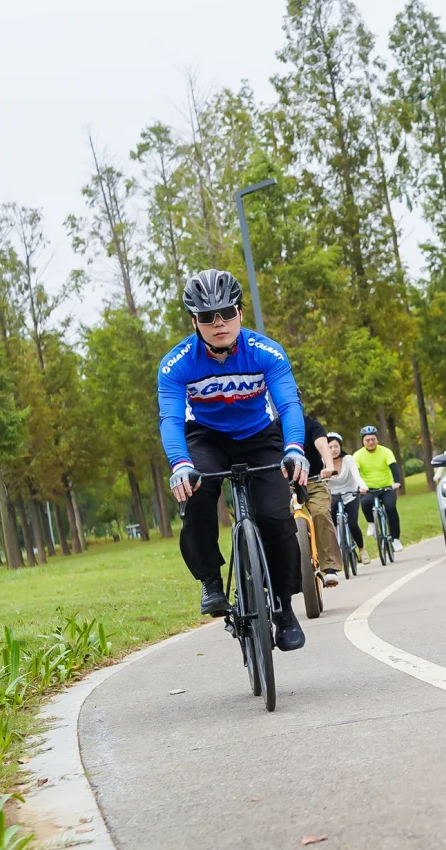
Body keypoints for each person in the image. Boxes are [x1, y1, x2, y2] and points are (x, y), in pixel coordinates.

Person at [159, 269, 309, 652]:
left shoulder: (266, 352)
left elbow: (289, 404)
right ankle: (210, 581)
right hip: (207, 438)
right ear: (194, 321)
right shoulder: (176, 365)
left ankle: (284, 608)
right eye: (207, 317)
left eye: (226, 313)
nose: (218, 323)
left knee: (275, 516)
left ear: (240, 312)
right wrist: (179, 464)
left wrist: (294, 449)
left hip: (259, 435)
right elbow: (171, 419)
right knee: (196, 495)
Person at [301, 416, 343, 587]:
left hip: (314, 482)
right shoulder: (271, 426)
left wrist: (329, 465)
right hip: (283, 486)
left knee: (320, 514)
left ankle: (330, 568)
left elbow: (322, 444)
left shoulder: (310, 423)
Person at [353, 426, 402, 552]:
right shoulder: (357, 455)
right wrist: (359, 487)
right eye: (367, 440)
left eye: (373, 439)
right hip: (368, 489)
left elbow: (394, 469)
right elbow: (356, 474)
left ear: (377, 440)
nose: (370, 442)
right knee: (365, 502)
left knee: (391, 508)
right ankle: (371, 523)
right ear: (363, 441)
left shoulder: (386, 452)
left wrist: (396, 482)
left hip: (386, 487)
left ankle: (395, 539)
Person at [324, 432, 367, 560]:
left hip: (350, 494)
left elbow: (356, 475)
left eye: (336, 446)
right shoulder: (323, 462)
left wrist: (363, 486)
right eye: (330, 447)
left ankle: (362, 550)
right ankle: (337, 551)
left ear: (340, 446)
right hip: (333, 495)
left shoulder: (348, 459)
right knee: (332, 526)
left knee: (353, 523)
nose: (333, 450)